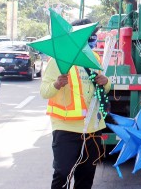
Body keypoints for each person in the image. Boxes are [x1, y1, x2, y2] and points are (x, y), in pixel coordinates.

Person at [40, 18, 111, 189]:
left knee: (86, 177)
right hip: (66, 129)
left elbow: (104, 89)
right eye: (89, 35)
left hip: (92, 129)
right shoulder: (57, 60)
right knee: (62, 175)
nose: (91, 39)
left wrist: (105, 81)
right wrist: (57, 84)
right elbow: (44, 92)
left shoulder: (94, 58)